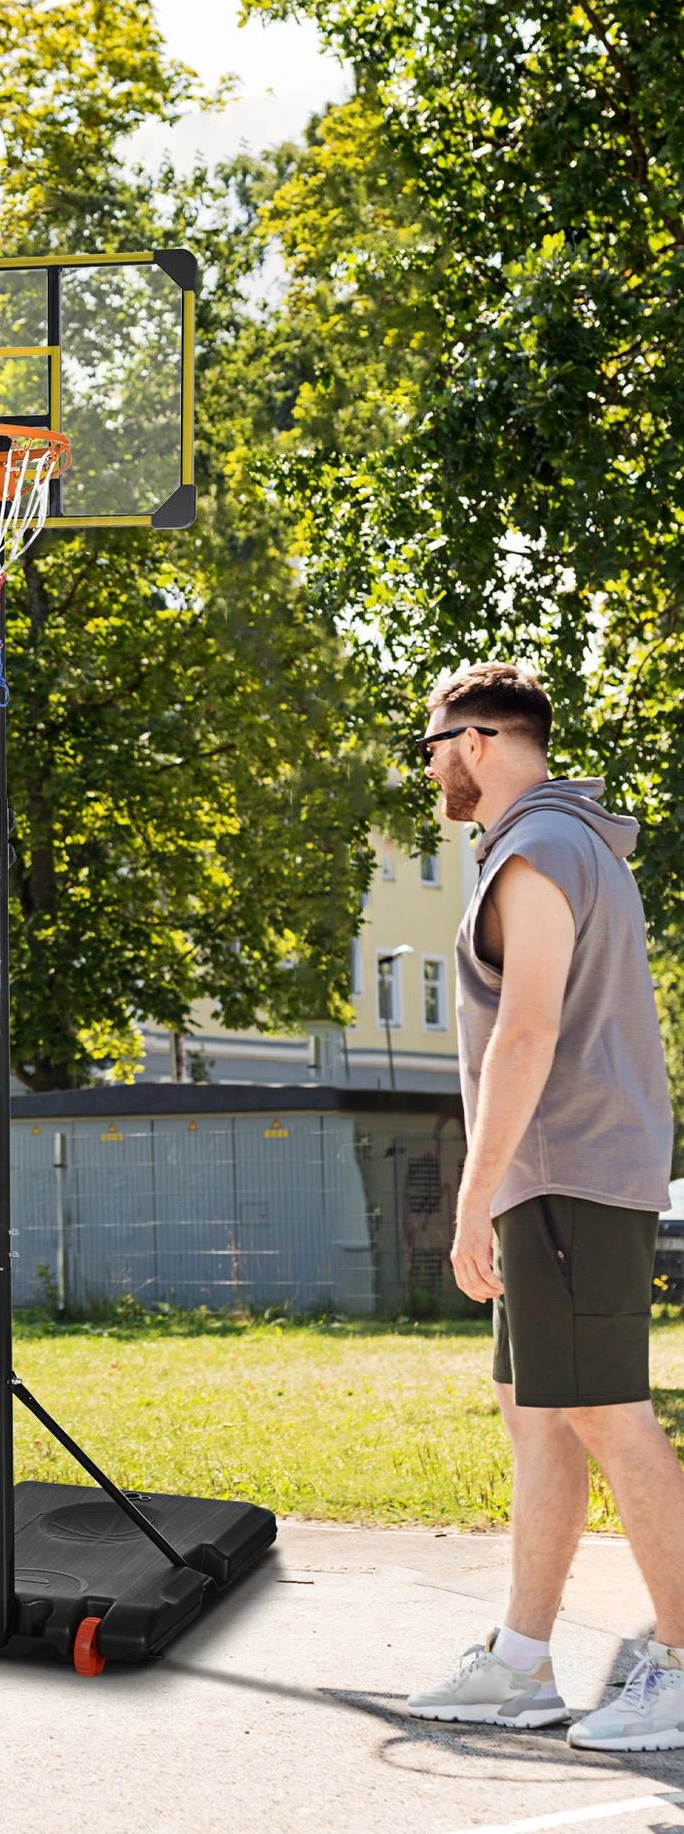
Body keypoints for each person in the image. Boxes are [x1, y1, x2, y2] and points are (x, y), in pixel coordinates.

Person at [405, 663, 684, 1750]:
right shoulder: (565, 845)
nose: (428, 768)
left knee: (609, 1415)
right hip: (553, 1172)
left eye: (429, 747)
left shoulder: (538, 849)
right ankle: (521, 1661)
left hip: (567, 1169)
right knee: (539, 1415)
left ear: (475, 740)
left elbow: (526, 1031)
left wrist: (469, 1199)